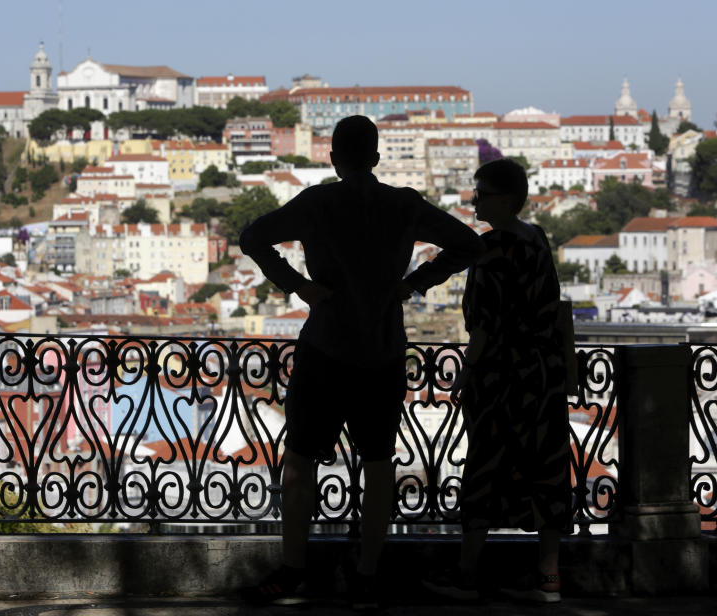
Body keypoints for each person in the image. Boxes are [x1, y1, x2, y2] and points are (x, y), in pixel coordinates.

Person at [239, 115, 484, 609]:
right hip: (383, 348)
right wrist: (415, 282)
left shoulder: (318, 202)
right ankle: (368, 576)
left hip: (326, 345)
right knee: (378, 466)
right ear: (376, 158)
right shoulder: (403, 204)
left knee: (301, 463)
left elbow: (252, 238)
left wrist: (297, 285)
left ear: (333, 158)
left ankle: (292, 571)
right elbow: (470, 245)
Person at [423, 158, 572, 603]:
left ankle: (468, 573)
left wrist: (468, 373)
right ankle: (548, 577)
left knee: (486, 464)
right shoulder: (539, 240)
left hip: (503, 373)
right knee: (546, 466)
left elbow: (484, 324)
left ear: (504, 199)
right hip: (543, 372)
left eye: (481, 193)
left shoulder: (491, 250)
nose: (474, 199)